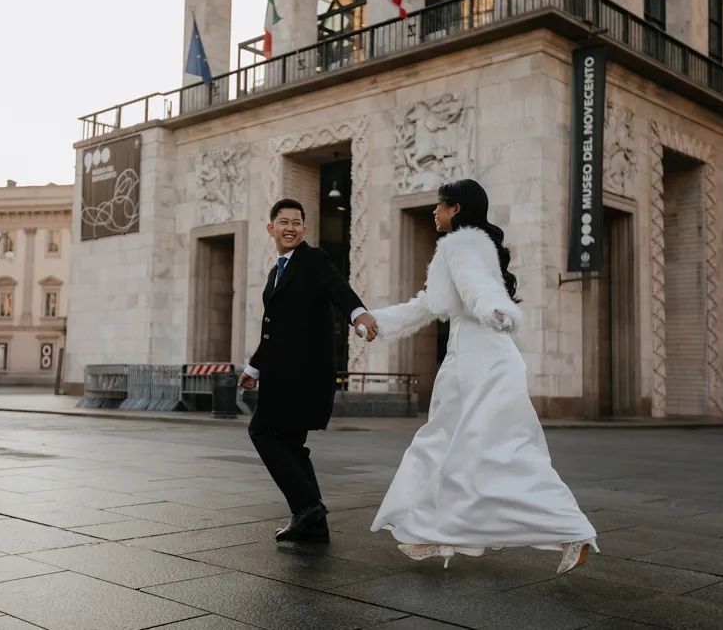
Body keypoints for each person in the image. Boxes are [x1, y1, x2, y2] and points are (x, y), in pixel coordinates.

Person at [365, 179, 598, 574]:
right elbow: (427, 304)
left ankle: (570, 529)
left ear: (456, 208)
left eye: (439, 206)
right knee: (449, 445)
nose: (433, 213)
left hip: (481, 360)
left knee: (490, 449)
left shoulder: (460, 244)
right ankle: (430, 531)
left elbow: (478, 285)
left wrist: (493, 307)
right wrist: (378, 322)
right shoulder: (464, 246)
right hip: (469, 359)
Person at [239, 198, 378, 544]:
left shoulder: (314, 259)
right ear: (271, 228)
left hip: (302, 374)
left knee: (262, 432)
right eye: (283, 222)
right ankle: (312, 523)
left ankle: (308, 507)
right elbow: (273, 328)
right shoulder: (277, 272)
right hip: (281, 372)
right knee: (291, 443)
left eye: (297, 222)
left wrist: (358, 314)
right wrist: (254, 368)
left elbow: (337, 288)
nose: (290, 228)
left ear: (304, 229)